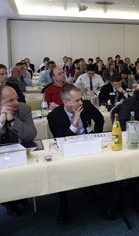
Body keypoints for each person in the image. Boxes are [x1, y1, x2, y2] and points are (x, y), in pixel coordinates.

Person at [47, 85, 104, 224]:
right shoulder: (54, 116)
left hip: (88, 143)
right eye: (77, 100)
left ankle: (94, 188)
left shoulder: (87, 105)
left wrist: (95, 135)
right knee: (61, 170)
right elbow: (61, 141)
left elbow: (100, 119)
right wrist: (74, 123)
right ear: (66, 102)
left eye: (81, 99)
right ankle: (64, 204)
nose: (81, 103)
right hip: (68, 149)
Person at [0, 85, 37, 216]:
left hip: (17, 152)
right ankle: (8, 200)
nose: (16, 103)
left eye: (16, 98)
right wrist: (0, 122)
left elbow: (30, 135)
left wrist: (12, 120)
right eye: (11, 100)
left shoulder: (23, 108)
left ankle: (18, 195)